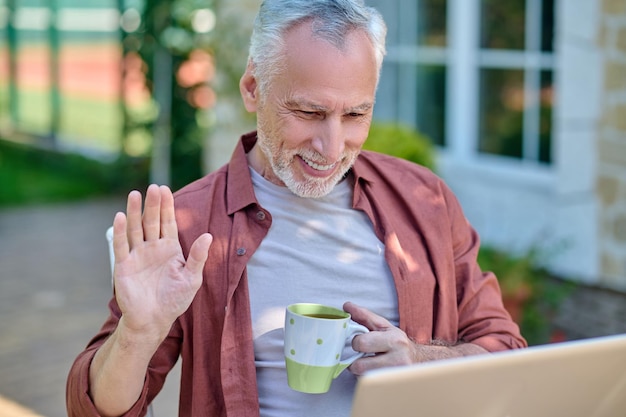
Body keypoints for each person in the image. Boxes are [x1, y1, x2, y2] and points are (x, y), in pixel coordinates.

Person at [66, 1, 527, 416]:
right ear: (252, 89)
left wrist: (423, 360)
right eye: (308, 113)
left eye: (354, 115)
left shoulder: (424, 199)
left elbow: (505, 351)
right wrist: (137, 334)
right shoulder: (190, 223)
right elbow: (94, 411)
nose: (331, 147)